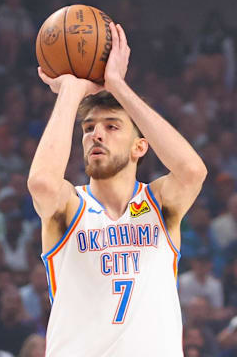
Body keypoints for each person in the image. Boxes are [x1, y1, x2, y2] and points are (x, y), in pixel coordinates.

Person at [28, 23, 207, 356]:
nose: (96, 134)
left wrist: (118, 86)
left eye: (112, 127)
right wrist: (71, 90)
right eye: (89, 128)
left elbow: (192, 170)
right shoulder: (70, 207)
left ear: (141, 146)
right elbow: (41, 181)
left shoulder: (159, 205)